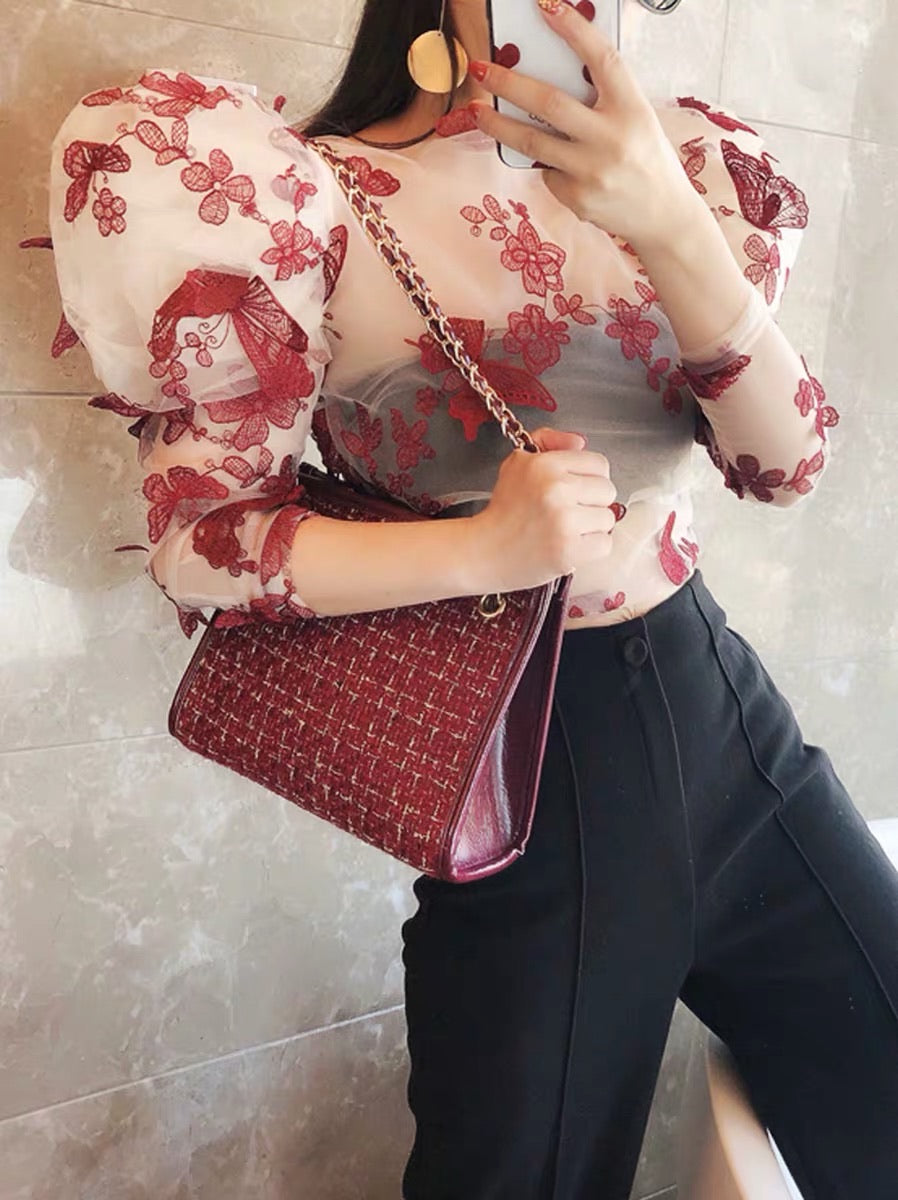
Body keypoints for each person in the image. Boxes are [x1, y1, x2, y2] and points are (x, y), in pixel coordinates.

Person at [46, 1, 898, 1197]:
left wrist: (667, 219)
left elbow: (785, 467)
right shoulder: (296, 198)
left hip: (732, 729)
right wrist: (485, 551)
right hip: (530, 768)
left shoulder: (683, 171)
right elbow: (202, 540)